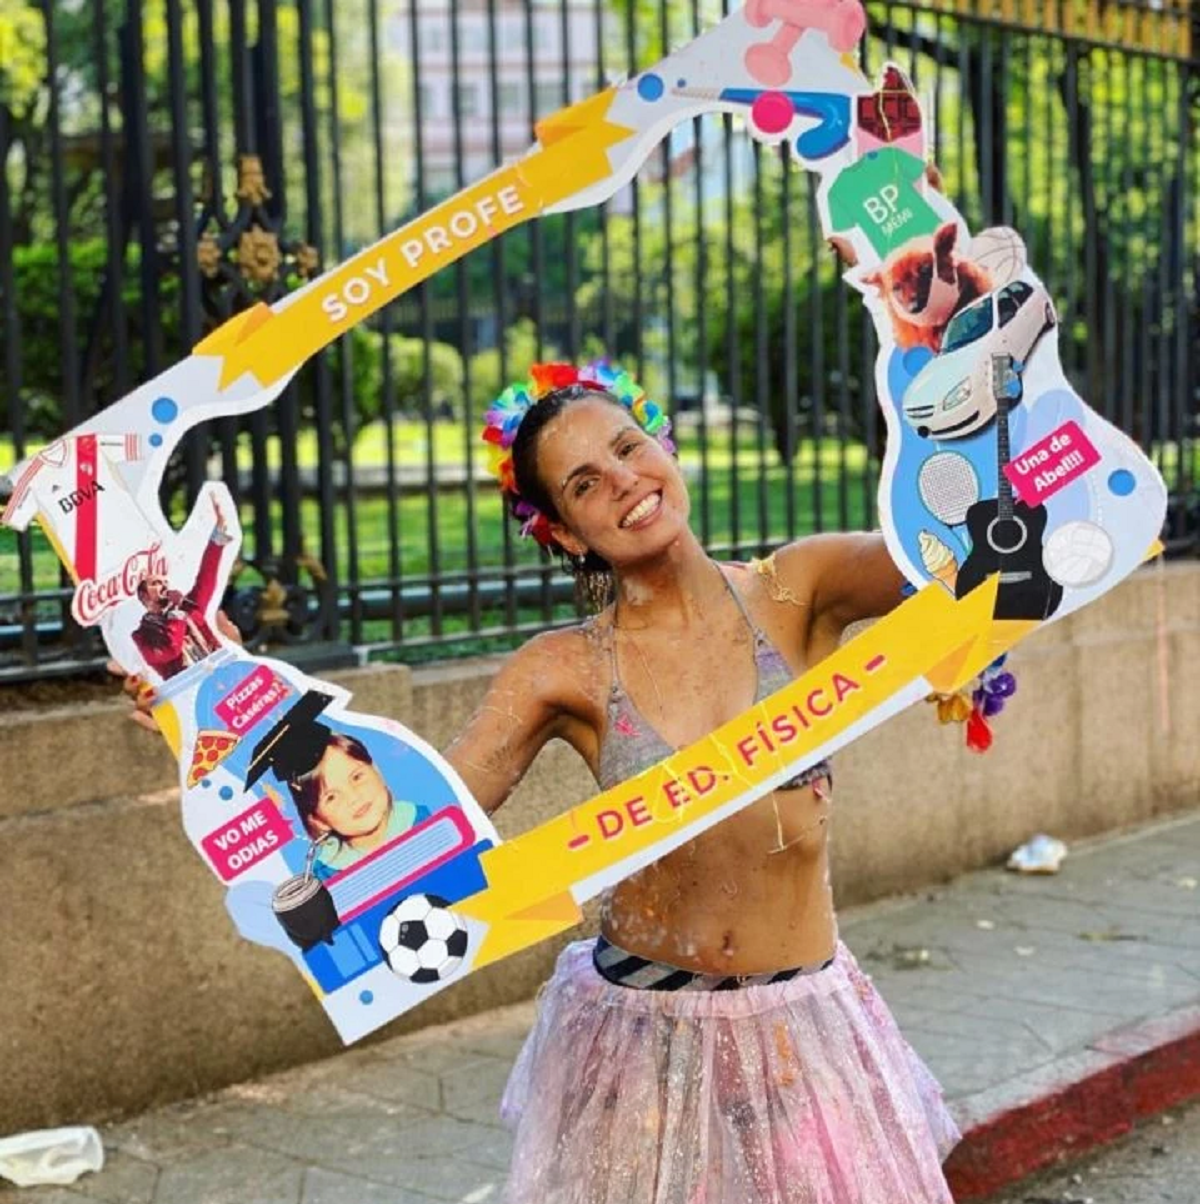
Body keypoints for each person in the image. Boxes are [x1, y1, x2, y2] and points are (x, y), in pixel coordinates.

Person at [120, 361, 960, 1202]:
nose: (627, 482)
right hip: (645, 1039)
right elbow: (417, 823)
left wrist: (940, 349)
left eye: (630, 447)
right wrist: (210, 691)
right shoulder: (563, 668)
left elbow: (959, 545)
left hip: (802, 1026)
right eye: (586, 484)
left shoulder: (797, 586)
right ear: (564, 532)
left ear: (664, 444)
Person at [285, 731, 430, 874]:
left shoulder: (421, 821)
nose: (353, 797)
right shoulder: (328, 872)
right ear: (318, 821)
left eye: (356, 777)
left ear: (376, 770)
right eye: (332, 797)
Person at [131, 496, 232, 679]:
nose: (163, 585)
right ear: (144, 597)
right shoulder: (141, 635)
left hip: (223, 676)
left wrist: (218, 533)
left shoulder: (189, 607)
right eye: (155, 583)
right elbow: (170, 650)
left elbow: (206, 577)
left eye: (164, 581)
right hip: (190, 692)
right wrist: (176, 616)